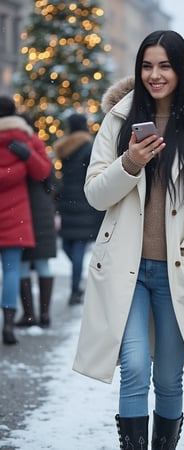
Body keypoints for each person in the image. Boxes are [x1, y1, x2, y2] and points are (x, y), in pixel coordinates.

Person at [73, 30, 184, 449]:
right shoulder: (118, 119)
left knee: (169, 376)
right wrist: (130, 163)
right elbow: (94, 193)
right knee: (134, 367)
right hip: (125, 269)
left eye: (165, 66)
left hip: (176, 272)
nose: (155, 75)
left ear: (180, 69)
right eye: (147, 65)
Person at [0, 96, 52, 344]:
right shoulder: (26, 138)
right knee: (11, 271)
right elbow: (43, 171)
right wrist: (27, 156)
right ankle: (8, 325)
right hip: (15, 215)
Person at [53, 113, 104, 305]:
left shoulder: (65, 149)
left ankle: (75, 288)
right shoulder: (89, 148)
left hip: (70, 203)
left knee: (72, 246)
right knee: (75, 248)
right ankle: (76, 289)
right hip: (83, 202)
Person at [15, 113, 58, 328]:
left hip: (19, 209)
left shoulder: (14, 146)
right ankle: (44, 314)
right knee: (42, 263)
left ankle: (29, 314)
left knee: (22, 263)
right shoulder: (38, 146)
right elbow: (49, 181)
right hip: (40, 209)